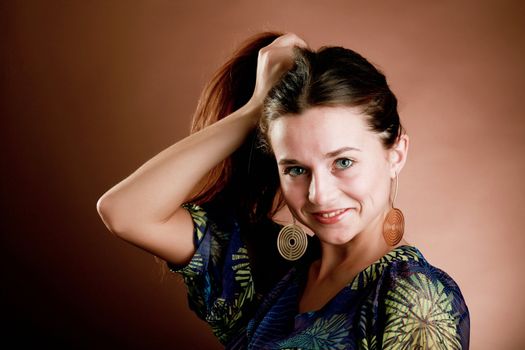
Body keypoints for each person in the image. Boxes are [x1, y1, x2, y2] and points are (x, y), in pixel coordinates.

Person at [97, 32, 470, 349]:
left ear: (396, 154)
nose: (318, 195)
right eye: (295, 169)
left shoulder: (414, 296)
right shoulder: (266, 271)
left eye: (343, 162)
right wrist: (254, 110)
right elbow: (126, 213)